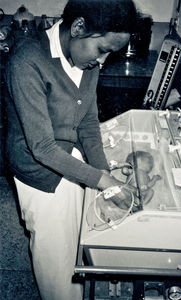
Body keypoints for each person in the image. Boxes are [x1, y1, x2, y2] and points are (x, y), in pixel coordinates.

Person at [5, 0, 140, 299]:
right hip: (38, 171)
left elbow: (88, 123)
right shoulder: (27, 61)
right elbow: (42, 148)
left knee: (76, 239)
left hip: (69, 158)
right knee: (56, 259)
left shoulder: (85, 61)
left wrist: (102, 170)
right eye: (102, 49)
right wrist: (102, 181)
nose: (102, 61)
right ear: (78, 28)